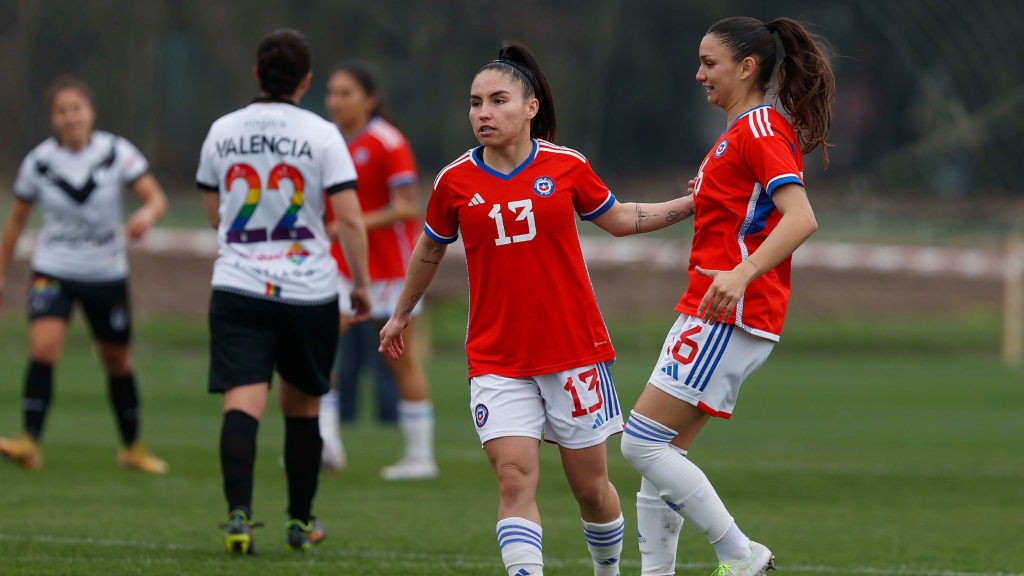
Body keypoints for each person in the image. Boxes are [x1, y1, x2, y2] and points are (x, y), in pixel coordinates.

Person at [379, 42, 696, 576]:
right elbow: (430, 248)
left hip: (573, 351)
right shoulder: (454, 182)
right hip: (496, 356)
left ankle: (607, 570)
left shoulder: (567, 166)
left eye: (498, 100)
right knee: (513, 478)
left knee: (591, 489)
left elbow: (619, 218)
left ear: (529, 108)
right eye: (476, 102)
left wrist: (693, 202)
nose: (484, 112)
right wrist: (400, 312)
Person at [618, 16, 833, 576]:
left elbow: (800, 217)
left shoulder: (760, 129)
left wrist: (742, 273)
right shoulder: (741, 133)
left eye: (709, 63)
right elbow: (744, 208)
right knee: (660, 457)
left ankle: (742, 555)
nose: (698, 74)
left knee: (639, 443)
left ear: (747, 67)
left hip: (726, 311)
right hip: (713, 306)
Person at [195, 29, 371, 555]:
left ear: (256, 74)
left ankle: (238, 518)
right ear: (307, 80)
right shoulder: (322, 134)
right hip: (308, 290)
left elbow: (216, 213)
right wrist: (359, 285)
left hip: (238, 285)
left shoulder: (222, 131)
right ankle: (299, 522)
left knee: (242, 405)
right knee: (303, 410)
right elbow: (350, 220)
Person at [0, 75, 169, 474]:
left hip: (106, 272)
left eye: (76, 108)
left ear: (90, 112)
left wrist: (146, 215)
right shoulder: (39, 163)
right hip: (53, 270)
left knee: (117, 361)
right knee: (43, 348)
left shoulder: (117, 152)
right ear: (53, 119)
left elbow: (155, 197)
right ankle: (29, 442)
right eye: (61, 111)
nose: (70, 117)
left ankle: (132, 447)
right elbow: (16, 222)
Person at [320, 59, 435, 479]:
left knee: (400, 363)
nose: (335, 101)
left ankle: (421, 457)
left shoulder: (388, 141)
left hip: (390, 270)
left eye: (345, 93)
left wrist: (353, 223)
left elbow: (407, 205)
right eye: (331, 92)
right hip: (340, 269)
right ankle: (326, 446)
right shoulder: (325, 140)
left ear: (369, 99)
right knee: (319, 349)